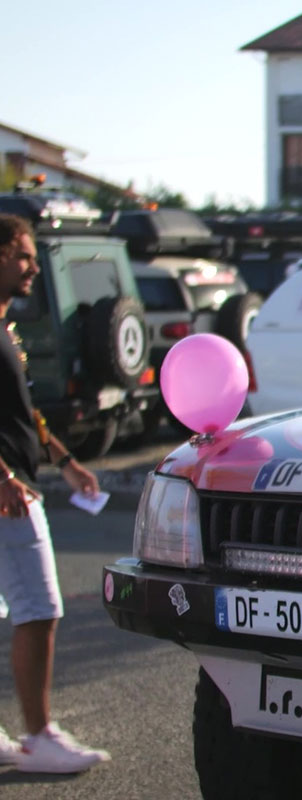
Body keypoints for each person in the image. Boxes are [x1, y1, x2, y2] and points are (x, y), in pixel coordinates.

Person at [0, 212, 110, 773]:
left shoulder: (6, 329)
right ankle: (39, 735)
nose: (31, 268)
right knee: (40, 609)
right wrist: (3, 476)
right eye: (22, 256)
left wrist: (66, 461)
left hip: (19, 482)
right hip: (9, 494)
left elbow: (26, 415)